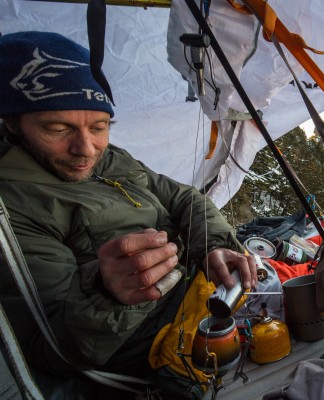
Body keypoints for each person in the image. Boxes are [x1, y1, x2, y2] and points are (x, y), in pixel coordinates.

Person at [0, 31, 257, 396]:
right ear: (12, 122)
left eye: (100, 126)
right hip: (156, 335)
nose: (86, 149)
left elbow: (183, 197)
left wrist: (212, 245)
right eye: (58, 129)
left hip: (203, 284)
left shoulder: (110, 158)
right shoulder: (13, 208)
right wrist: (107, 294)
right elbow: (53, 353)